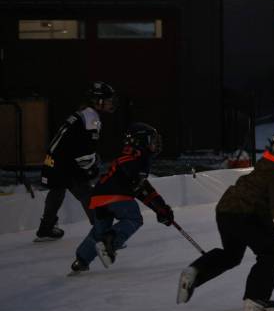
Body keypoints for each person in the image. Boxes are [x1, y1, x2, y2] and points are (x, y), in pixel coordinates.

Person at [176, 127, 274, 311]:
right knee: (272, 252)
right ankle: (255, 303)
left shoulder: (266, 164)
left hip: (226, 211)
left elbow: (263, 207)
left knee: (231, 255)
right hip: (244, 215)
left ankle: (195, 272)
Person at [69, 122, 173, 274]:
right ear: (141, 141)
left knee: (99, 231)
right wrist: (159, 208)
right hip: (116, 195)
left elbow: (142, 188)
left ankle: (81, 260)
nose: (155, 144)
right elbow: (138, 183)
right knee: (134, 219)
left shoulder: (129, 156)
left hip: (98, 197)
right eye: (152, 140)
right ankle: (110, 242)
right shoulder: (139, 157)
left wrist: (160, 208)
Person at [36, 81, 118, 241]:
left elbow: (73, 143)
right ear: (98, 101)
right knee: (86, 192)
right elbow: (84, 151)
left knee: (57, 190)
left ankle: (46, 227)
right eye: (108, 100)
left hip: (53, 158)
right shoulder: (92, 118)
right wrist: (91, 167)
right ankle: (102, 232)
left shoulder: (82, 113)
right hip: (67, 162)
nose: (111, 103)